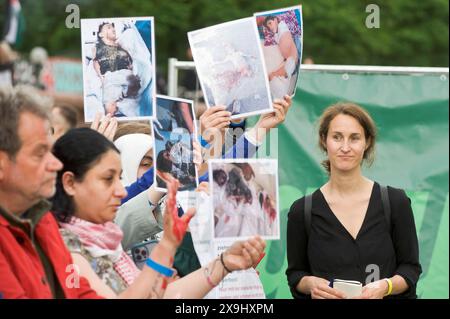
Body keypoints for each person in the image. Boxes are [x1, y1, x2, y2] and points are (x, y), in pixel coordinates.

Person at [50, 127, 266, 298]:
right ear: (69, 183)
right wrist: (166, 248)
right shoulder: (66, 247)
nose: (121, 190)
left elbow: (160, 296)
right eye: (108, 179)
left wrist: (225, 263)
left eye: (119, 177)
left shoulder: (107, 241)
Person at [286, 102, 422, 299]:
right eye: (337, 137)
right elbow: (296, 274)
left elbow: (410, 269)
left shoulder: (395, 202)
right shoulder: (302, 211)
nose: (345, 147)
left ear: (367, 142)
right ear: (324, 140)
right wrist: (311, 284)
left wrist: (386, 286)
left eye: (355, 138)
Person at [0, 86, 101, 298]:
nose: (55, 163)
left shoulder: (41, 214)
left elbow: (78, 290)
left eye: (51, 149)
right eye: (40, 153)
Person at [263, 15, 299, 83]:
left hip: (292, 60)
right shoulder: (276, 34)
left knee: (271, 76)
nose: (270, 27)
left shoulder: (282, 26)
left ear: (276, 20)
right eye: (268, 26)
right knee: (271, 75)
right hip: (287, 60)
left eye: (270, 23)